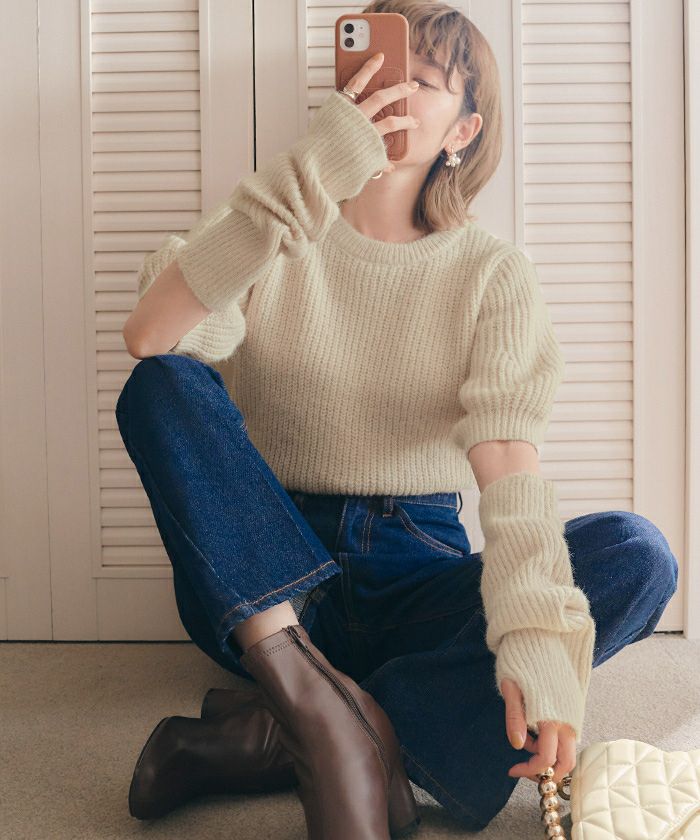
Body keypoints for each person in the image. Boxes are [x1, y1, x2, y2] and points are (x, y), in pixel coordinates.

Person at [116, 0, 679, 835]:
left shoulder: (492, 274)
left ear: (463, 131)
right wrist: (315, 168)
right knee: (163, 382)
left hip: (417, 572)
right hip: (271, 585)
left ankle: (288, 733)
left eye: (425, 80)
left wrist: (537, 636)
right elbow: (150, 337)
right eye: (378, 71)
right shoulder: (268, 229)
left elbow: (508, 468)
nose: (394, 91)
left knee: (637, 555)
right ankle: (322, 704)